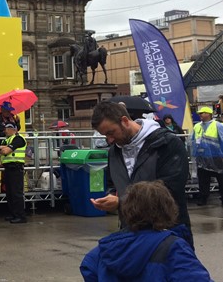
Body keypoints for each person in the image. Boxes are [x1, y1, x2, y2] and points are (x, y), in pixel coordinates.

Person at [90, 101, 192, 245]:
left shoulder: (168, 143)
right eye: (105, 136)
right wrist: (111, 195)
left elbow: (170, 189)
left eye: (111, 132)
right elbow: (114, 183)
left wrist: (121, 202)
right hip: (131, 234)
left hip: (168, 234)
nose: (109, 140)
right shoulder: (114, 152)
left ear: (124, 121)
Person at [80, 180, 212, 281]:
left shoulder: (104, 249)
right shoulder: (173, 248)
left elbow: (88, 268)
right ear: (168, 210)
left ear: (126, 209)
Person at [191, 106, 223, 207]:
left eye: (203, 113)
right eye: (200, 113)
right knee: (203, 180)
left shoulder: (218, 125)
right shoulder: (197, 126)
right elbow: (192, 141)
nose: (200, 115)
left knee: (221, 179)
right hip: (202, 157)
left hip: (217, 157)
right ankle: (203, 198)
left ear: (209, 114)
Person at [0, 123, 27, 224]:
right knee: (9, 193)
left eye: (6, 129)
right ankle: (13, 214)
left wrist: (2, 148)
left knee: (16, 193)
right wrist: (2, 148)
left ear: (12, 129)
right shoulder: (6, 140)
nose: (4, 131)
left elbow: (5, 151)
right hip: (8, 168)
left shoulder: (18, 139)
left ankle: (20, 216)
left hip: (16, 168)